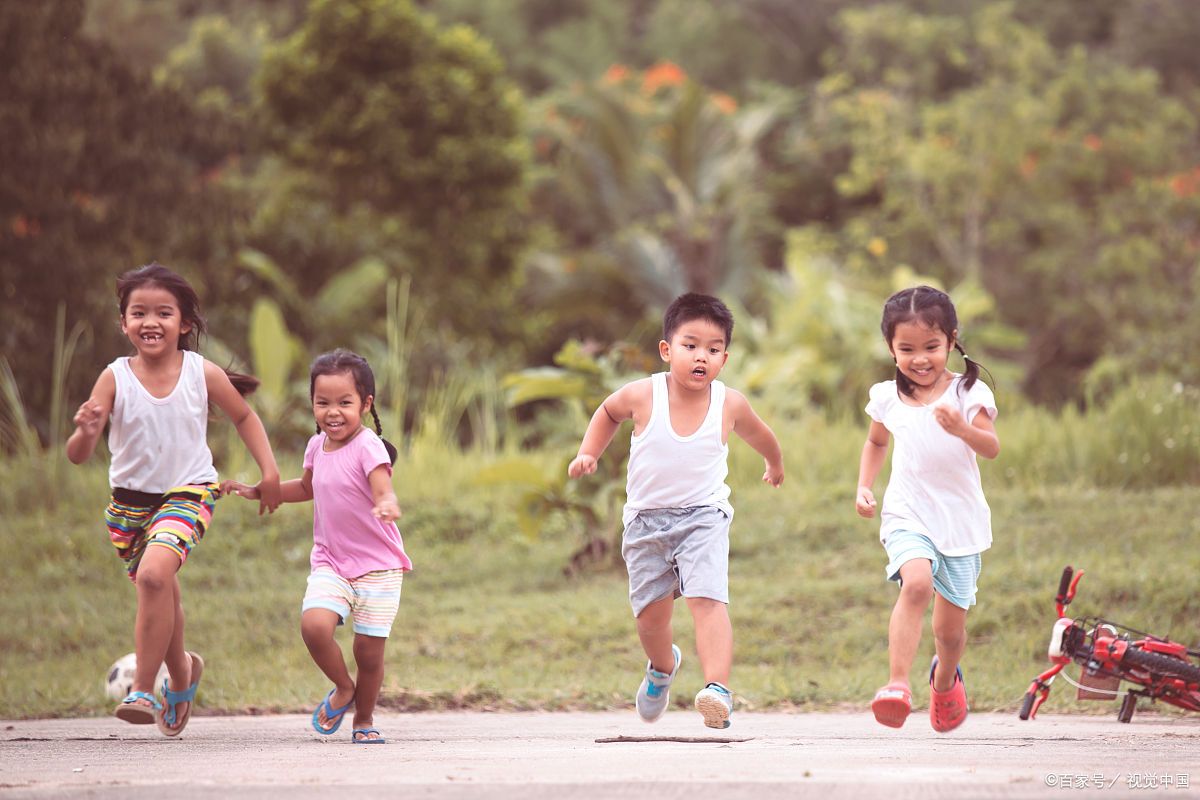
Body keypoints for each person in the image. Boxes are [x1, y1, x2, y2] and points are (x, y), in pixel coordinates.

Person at [66, 262, 282, 737]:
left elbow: (244, 417)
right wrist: (84, 432)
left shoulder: (199, 373)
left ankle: (145, 688)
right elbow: (79, 455)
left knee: (154, 575)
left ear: (184, 323)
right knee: (159, 590)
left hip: (189, 492)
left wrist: (269, 473)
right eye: (138, 312)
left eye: (164, 312)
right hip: (128, 506)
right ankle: (183, 676)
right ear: (123, 323)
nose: (150, 322)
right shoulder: (113, 377)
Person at [567, 293, 784, 729]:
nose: (701, 356)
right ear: (667, 350)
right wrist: (589, 452)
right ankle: (662, 668)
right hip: (646, 521)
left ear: (725, 357)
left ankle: (718, 690)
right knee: (651, 619)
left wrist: (774, 463)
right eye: (690, 345)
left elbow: (762, 434)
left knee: (708, 599)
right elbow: (608, 413)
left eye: (713, 348)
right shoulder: (643, 394)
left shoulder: (730, 403)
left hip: (704, 517)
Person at [222, 349, 411, 744]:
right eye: (323, 403)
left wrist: (387, 502)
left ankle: (363, 719)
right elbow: (306, 488)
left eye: (345, 402)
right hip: (332, 563)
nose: (333, 412)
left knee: (369, 655)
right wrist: (261, 490)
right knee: (314, 626)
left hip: (378, 567)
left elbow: (381, 484)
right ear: (312, 404)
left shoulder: (368, 446)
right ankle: (344, 687)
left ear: (365, 403)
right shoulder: (316, 446)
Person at [855, 285, 1000, 732]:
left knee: (949, 633)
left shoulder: (968, 393)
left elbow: (991, 447)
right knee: (915, 583)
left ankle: (943, 679)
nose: (920, 358)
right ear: (890, 349)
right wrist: (863, 486)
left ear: (952, 341)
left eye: (932, 347)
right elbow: (876, 441)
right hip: (907, 513)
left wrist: (962, 429)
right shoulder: (885, 396)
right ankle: (897, 684)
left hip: (959, 523)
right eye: (907, 349)